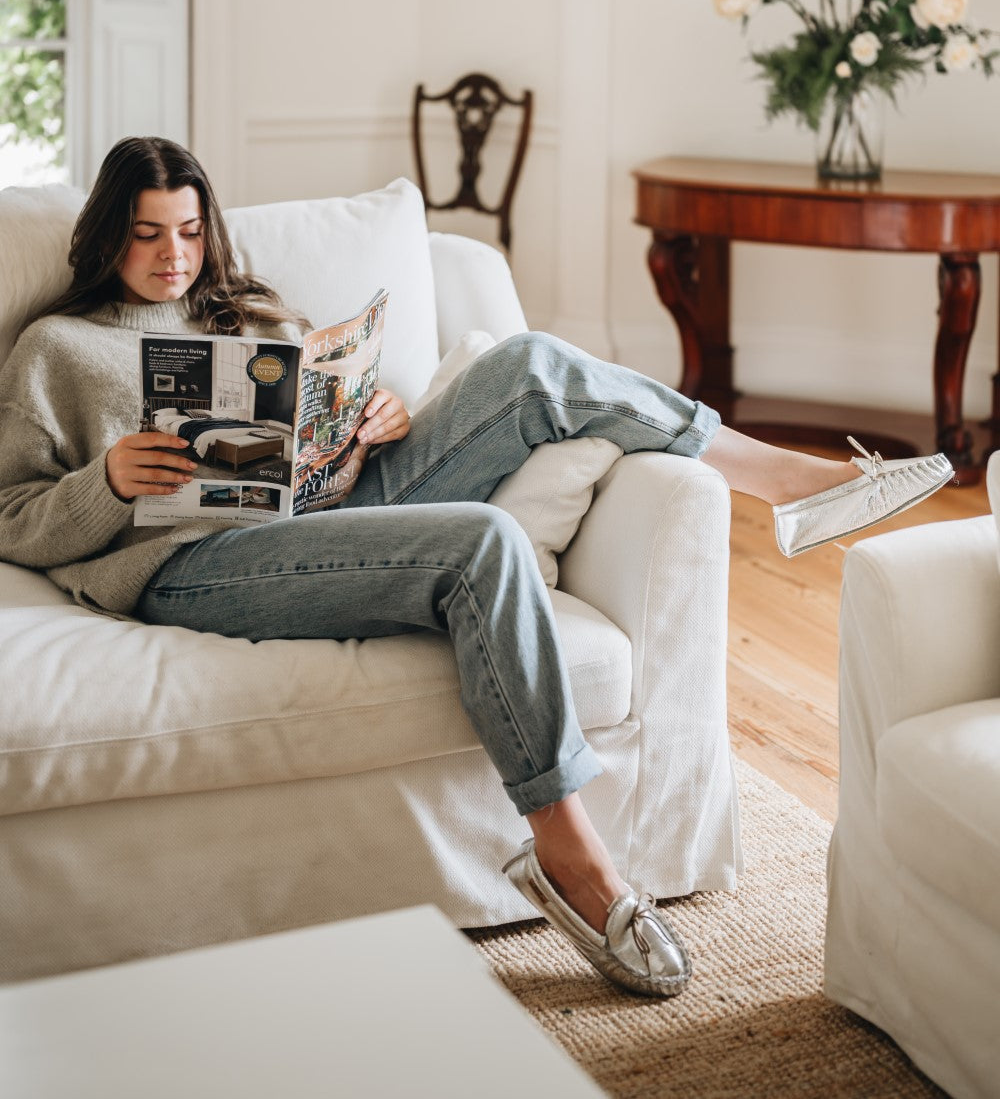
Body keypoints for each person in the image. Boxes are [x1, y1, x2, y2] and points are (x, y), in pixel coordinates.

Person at [0, 137, 953, 999]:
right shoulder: (57, 350)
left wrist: (383, 416)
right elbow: (15, 518)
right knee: (481, 543)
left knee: (534, 363)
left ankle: (791, 483)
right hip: (195, 560)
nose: (174, 255)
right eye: (146, 235)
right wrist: (108, 482)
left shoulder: (244, 313)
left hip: (335, 506)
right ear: (105, 238)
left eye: (192, 231)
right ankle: (572, 856)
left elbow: (317, 420)